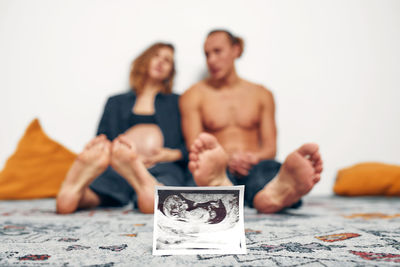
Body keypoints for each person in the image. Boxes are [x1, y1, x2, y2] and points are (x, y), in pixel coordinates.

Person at [179, 30, 323, 213]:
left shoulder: (262, 94)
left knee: (268, 171)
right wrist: (226, 159)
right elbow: (195, 145)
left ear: (236, 50)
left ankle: (272, 194)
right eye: (207, 54)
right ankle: (228, 187)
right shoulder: (193, 95)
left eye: (217, 51)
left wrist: (253, 158)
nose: (211, 60)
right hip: (218, 167)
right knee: (197, 178)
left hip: (255, 166)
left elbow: (270, 148)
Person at [57, 42, 191, 214]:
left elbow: (191, 142)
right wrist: (120, 156)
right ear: (144, 60)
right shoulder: (116, 102)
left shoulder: (178, 102)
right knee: (105, 185)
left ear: (171, 72)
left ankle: (149, 188)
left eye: (167, 60)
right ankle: (76, 194)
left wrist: (171, 154)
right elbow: (102, 137)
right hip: (120, 166)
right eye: (156, 56)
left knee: (168, 180)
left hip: (162, 164)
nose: (160, 62)